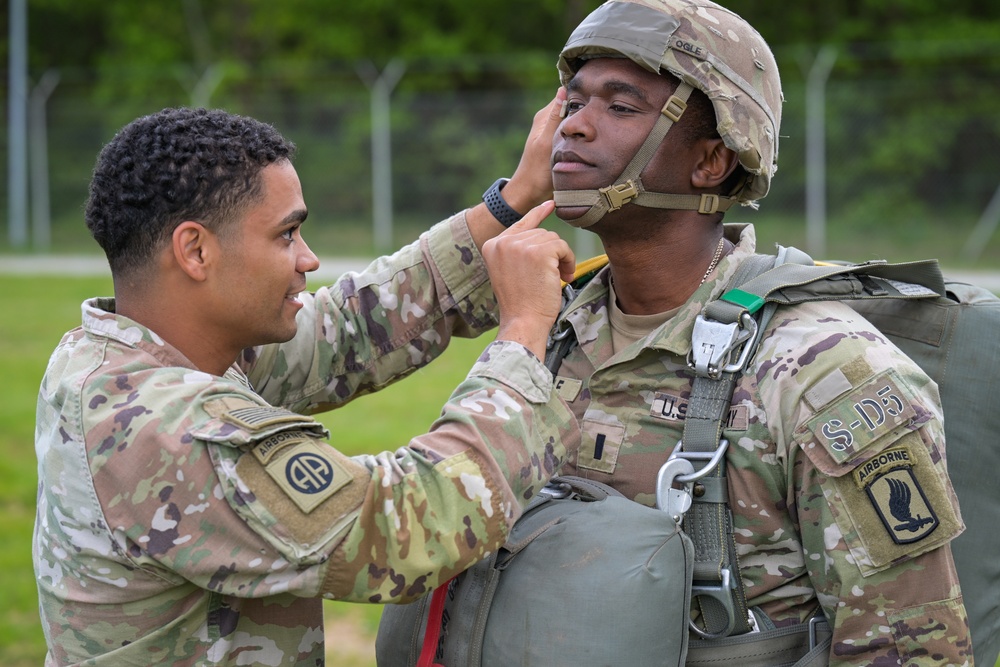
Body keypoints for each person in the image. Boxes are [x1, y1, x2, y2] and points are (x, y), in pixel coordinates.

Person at [33, 101, 580, 665]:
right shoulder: (169, 429)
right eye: (286, 234)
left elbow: (351, 329)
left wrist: (509, 202)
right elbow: (412, 526)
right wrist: (523, 334)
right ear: (195, 250)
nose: (308, 258)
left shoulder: (118, 354)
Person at [541, 0, 970, 665]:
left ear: (711, 161)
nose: (574, 128)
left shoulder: (823, 371)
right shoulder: (550, 330)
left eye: (620, 107)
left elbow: (910, 650)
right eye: (573, 102)